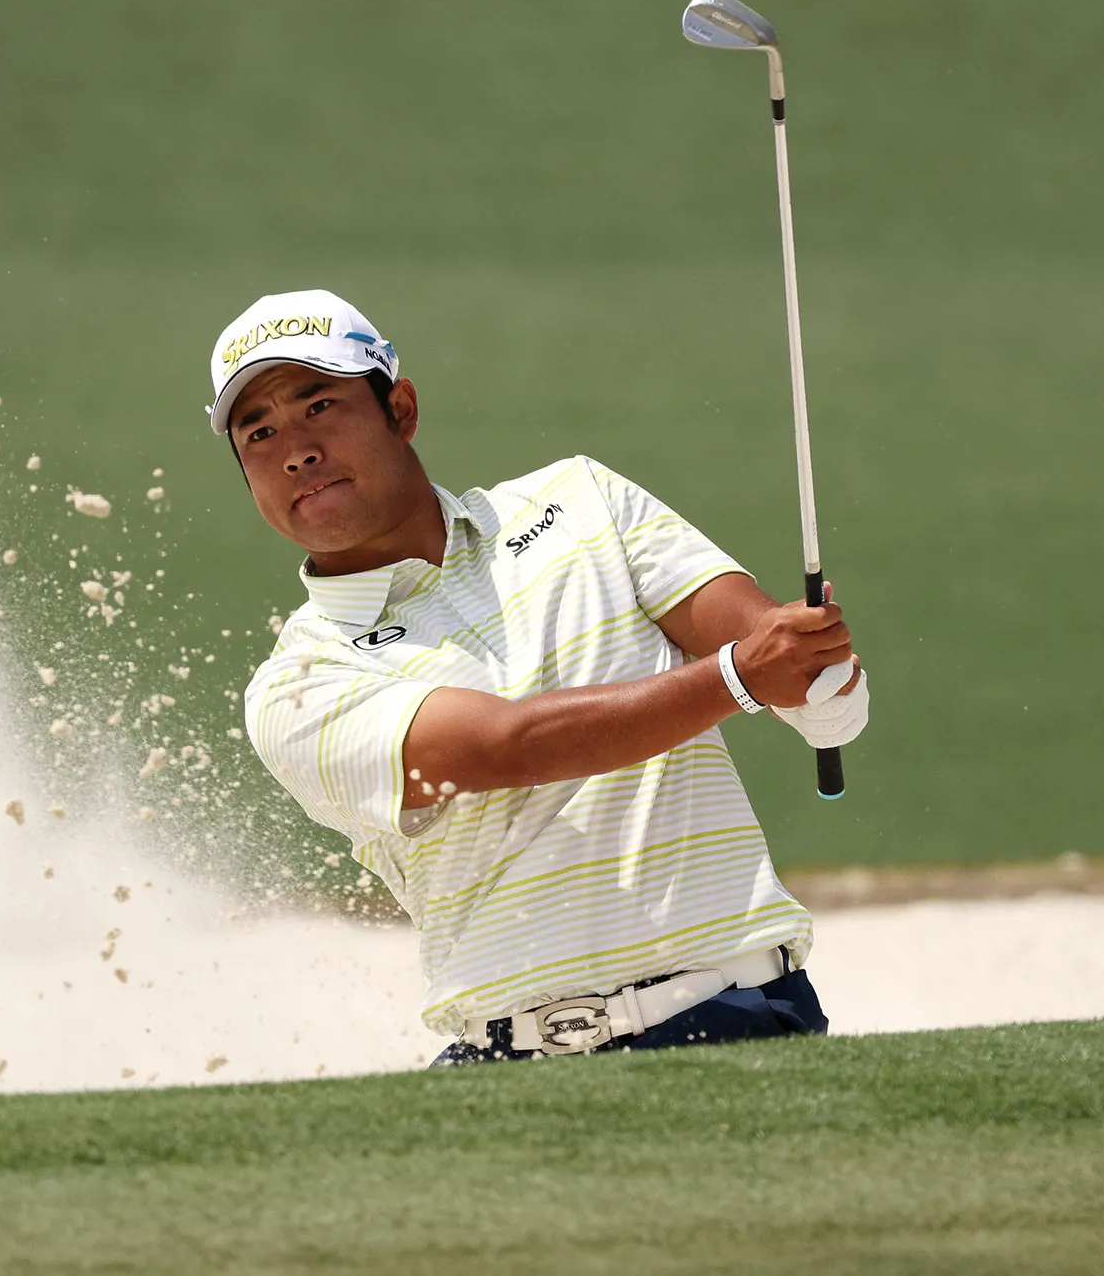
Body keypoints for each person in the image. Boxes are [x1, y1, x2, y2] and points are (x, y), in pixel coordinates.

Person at [213, 290, 869, 1062]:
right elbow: (501, 749)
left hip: (742, 1017)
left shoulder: (581, 499)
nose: (295, 449)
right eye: (258, 432)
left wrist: (819, 681)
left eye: (319, 403)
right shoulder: (296, 681)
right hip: (514, 1070)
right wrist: (743, 677)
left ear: (402, 408)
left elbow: (778, 659)